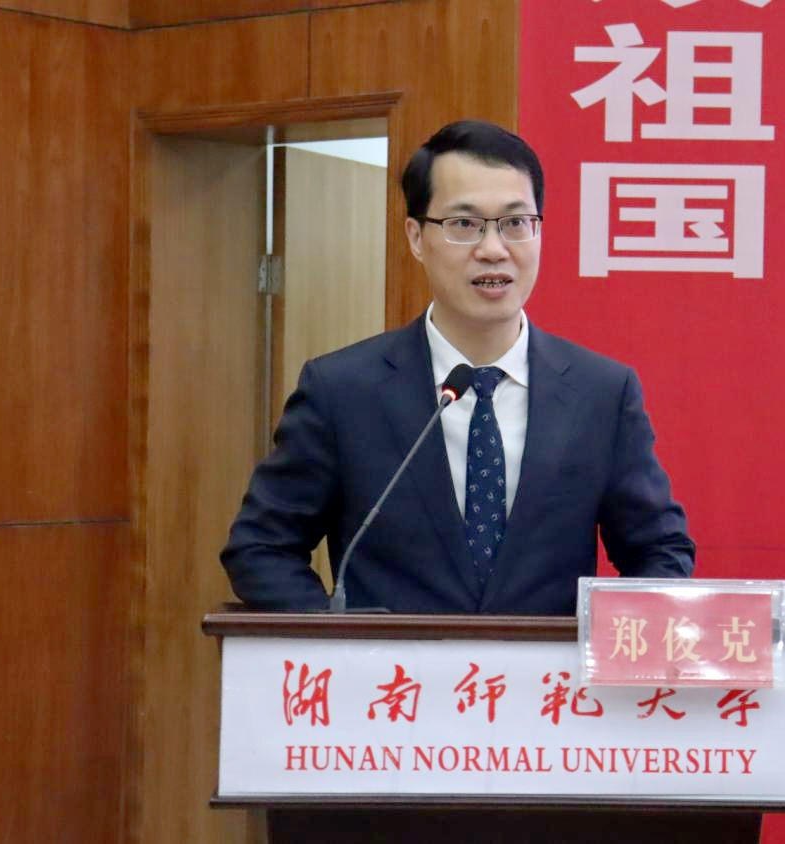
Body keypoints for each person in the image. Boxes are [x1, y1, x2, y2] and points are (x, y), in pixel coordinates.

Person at [221, 120, 694, 613]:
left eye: (515, 223)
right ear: (416, 237)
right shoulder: (342, 391)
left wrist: (606, 640)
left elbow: (660, 551)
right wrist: (340, 639)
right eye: (464, 225)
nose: (493, 250)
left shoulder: (602, 393)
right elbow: (260, 547)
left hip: (550, 665)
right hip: (389, 666)